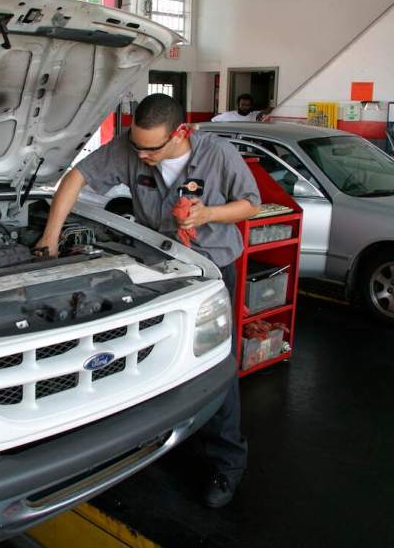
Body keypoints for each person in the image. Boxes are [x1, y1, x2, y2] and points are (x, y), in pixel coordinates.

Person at [36, 93, 260, 508]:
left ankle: (228, 463)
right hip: (157, 269)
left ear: (181, 133)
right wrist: (50, 237)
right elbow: (76, 178)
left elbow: (250, 203)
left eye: (150, 149)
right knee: (151, 360)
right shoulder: (130, 146)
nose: (140, 155)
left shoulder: (219, 154)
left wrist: (207, 215)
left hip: (209, 273)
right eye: (136, 146)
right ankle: (161, 439)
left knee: (215, 366)